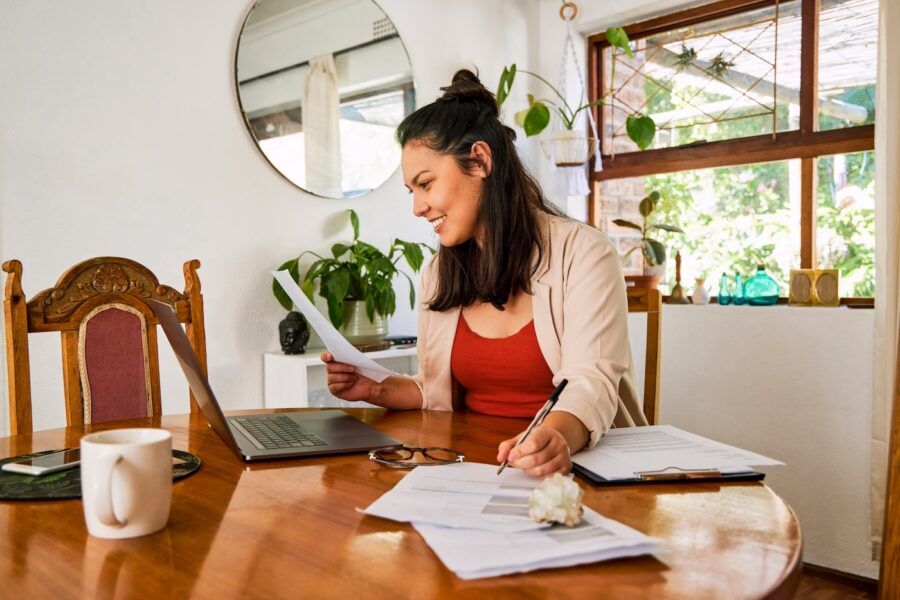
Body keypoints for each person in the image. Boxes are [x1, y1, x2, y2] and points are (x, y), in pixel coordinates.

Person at [323, 69, 646, 477]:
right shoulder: (440, 271)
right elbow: (435, 390)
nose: (417, 208)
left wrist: (556, 436)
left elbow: (592, 383)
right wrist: (377, 389)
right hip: (469, 468)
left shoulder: (584, 254)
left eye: (425, 184)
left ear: (479, 160)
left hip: (575, 469)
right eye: (413, 191)